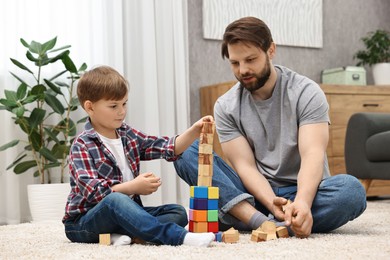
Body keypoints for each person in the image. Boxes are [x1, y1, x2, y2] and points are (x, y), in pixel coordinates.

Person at [174, 16, 367, 238]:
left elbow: (312, 154)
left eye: (251, 59)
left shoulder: (306, 92)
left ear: (271, 50)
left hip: (302, 190)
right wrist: (271, 203)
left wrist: (303, 203)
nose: (243, 70)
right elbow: (244, 166)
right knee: (184, 150)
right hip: (252, 193)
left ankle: (247, 217)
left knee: (351, 192)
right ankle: (259, 219)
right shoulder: (226, 106)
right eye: (235, 63)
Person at [62, 65, 215, 247]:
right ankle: (179, 237)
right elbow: (95, 193)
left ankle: (121, 234)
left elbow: (165, 147)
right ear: (90, 107)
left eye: (124, 103)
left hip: (120, 215)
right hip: (83, 222)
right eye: (113, 106)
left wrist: (193, 130)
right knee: (116, 200)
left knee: (178, 212)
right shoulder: (82, 144)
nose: (122, 111)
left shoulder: (127, 134)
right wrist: (133, 186)